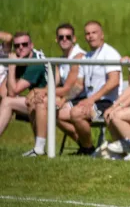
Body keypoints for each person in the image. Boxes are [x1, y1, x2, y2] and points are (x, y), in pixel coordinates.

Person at [23, 24, 86, 157]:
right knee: (35, 99)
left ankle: (40, 148)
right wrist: (37, 92)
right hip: (69, 98)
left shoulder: (78, 57)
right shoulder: (61, 60)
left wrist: (42, 92)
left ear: (74, 39)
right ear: (56, 39)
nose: (64, 39)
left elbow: (69, 88)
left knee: (43, 102)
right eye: (61, 37)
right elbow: (52, 84)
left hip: (79, 99)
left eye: (68, 37)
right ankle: (39, 146)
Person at [68, 21, 122, 155]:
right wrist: (61, 99)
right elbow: (79, 85)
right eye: (87, 33)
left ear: (102, 35)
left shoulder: (110, 53)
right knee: (56, 111)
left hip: (108, 102)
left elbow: (114, 81)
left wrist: (91, 99)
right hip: (91, 100)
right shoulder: (86, 57)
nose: (90, 36)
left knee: (75, 113)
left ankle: (87, 149)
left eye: (94, 32)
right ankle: (87, 146)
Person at [0, 32, 48, 140]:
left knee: (8, 102)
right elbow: (3, 92)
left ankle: (39, 147)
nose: (21, 48)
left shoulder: (35, 63)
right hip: (38, 99)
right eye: (17, 46)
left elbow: (12, 92)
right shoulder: (23, 59)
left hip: (50, 101)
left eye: (24, 44)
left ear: (32, 45)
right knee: (7, 101)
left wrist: (11, 66)